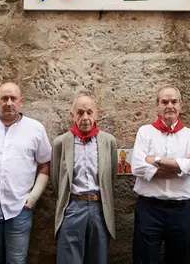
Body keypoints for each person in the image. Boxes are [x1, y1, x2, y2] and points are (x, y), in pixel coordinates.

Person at [0, 82, 52, 264]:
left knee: (17, 261)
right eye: (4, 98)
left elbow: (46, 164)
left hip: (20, 209)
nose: (9, 103)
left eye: (13, 98)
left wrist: (32, 199)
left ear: (21, 101)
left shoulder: (35, 129)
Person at [130, 85, 190, 264]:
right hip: (149, 209)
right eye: (164, 102)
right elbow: (137, 167)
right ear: (157, 106)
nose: (169, 105)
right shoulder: (145, 132)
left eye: (173, 101)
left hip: (182, 209)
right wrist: (179, 166)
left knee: (180, 259)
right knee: (144, 259)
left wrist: (155, 160)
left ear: (180, 105)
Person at [51, 95, 117, 264]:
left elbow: (111, 177)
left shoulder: (108, 141)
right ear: (73, 115)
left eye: (89, 112)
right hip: (73, 206)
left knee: (98, 258)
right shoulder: (61, 142)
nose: (85, 118)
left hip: (99, 208)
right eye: (80, 113)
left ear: (96, 114)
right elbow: (57, 179)